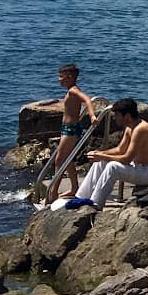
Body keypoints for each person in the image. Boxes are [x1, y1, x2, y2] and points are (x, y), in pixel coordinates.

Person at [68, 98, 148, 208]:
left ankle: (95, 203)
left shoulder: (141, 129)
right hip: (137, 168)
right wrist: (99, 153)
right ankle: (81, 197)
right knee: (100, 162)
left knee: (113, 167)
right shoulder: (130, 127)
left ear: (127, 116)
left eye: (117, 115)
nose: (115, 118)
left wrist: (103, 156)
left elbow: (127, 159)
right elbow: (120, 150)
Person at [46, 63, 97, 204]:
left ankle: (53, 192)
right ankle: (74, 188)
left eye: (61, 76)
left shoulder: (74, 91)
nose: (59, 79)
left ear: (69, 77)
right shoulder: (71, 90)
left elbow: (87, 100)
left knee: (59, 160)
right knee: (67, 159)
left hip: (70, 130)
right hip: (67, 128)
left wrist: (92, 116)